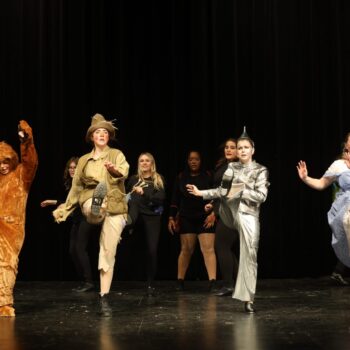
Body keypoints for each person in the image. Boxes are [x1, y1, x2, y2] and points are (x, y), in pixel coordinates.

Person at [53, 113, 129, 317]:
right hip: (89, 197)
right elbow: (76, 187)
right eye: (98, 132)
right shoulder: (84, 160)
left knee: (107, 251)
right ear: (91, 137)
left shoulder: (116, 154)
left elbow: (124, 172)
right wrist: (65, 209)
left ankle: (104, 295)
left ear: (109, 137)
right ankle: (97, 205)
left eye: (105, 132)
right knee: (90, 208)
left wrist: (113, 171)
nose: (102, 134)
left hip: (115, 205)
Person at [187, 128, 269, 313]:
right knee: (222, 241)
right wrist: (202, 193)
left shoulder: (260, 170)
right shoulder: (231, 168)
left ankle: (248, 298)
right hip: (229, 213)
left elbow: (262, 196)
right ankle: (229, 283)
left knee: (249, 255)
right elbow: (222, 191)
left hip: (248, 216)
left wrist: (242, 191)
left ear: (252, 150)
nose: (242, 151)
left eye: (246, 147)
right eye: (239, 148)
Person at [0, 120, 38, 317]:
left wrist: (26, 141)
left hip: (11, 230)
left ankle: (3, 304)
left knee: (6, 264)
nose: (3, 166)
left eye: (6, 161)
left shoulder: (20, 176)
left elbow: (31, 162)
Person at [41, 157, 96, 292]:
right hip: (77, 219)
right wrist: (52, 202)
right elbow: (69, 202)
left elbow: (77, 202)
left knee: (80, 248)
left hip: (86, 218)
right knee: (72, 250)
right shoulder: (71, 183)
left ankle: (89, 282)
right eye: (70, 167)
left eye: (74, 167)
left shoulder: (82, 183)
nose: (72, 170)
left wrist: (58, 205)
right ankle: (83, 280)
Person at [297, 137, 350, 277]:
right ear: (346, 144)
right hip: (346, 207)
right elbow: (321, 184)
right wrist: (305, 178)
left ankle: (339, 270)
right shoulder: (339, 165)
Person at [168, 150, 217, 291]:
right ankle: (180, 281)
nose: (193, 161)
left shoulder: (208, 175)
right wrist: (171, 217)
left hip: (205, 217)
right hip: (186, 217)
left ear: (201, 161)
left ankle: (213, 282)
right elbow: (175, 199)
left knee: (208, 249)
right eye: (191, 159)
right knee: (186, 249)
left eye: (196, 159)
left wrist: (213, 212)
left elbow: (216, 195)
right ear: (187, 161)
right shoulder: (181, 176)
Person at [125, 152, 165, 296]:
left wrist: (144, 193)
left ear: (152, 163)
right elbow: (126, 198)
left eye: (147, 161)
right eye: (141, 161)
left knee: (152, 250)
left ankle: (150, 282)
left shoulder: (158, 180)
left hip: (152, 217)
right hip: (136, 214)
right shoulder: (133, 179)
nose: (144, 163)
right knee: (133, 199)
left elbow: (159, 200)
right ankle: (128, 222)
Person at [205, 138, 240, 296]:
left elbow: (231, 194)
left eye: (232, 147)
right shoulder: (223, 165)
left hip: (232, 212)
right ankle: (238, 282)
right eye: (226, 147)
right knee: (226, 247)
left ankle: (229, 285)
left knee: (221, 246)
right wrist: (212, 204)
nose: (228, 150)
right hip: (223, 210)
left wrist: (215, 211)